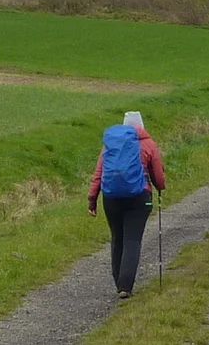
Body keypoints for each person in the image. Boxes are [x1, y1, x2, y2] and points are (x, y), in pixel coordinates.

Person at [88, 111, 166, 299]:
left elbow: (99, 173)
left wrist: (92, 199)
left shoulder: (111, 145)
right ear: (141, 126)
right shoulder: (148, 144)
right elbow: (158, 176)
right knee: (132, 240)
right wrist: (160, 187)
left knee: (117, 238)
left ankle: (118, 282)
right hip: (139, 196)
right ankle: (125, 285)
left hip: (111, 197)